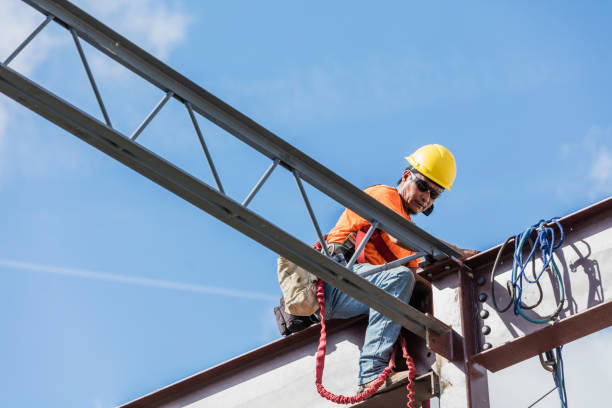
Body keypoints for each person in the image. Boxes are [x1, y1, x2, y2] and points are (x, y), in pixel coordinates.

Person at [322, 144, 476, 393]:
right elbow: (397, 236)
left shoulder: (409, 236)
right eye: (423, 186)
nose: (426, 197)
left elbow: (415, 280)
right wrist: (457, 253)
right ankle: (371, 372)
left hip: (357, 292)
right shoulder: (384, 195)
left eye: (435, 195)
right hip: (334, 281)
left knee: (412, 285)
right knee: (401, 277)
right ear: (406, 177)